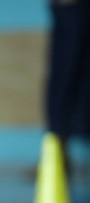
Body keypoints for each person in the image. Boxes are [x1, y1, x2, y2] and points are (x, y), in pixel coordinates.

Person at [46, 0, 90, 174]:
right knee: (64, 74)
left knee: (66, 76)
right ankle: (57, 154)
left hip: (72, 8)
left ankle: (57, 154)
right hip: (70, 7)